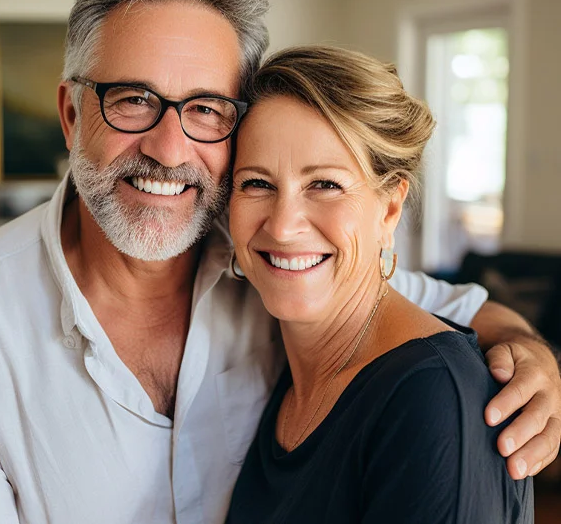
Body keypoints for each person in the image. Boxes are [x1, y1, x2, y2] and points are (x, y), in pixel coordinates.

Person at [0, 0, 560, 524]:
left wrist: (526, 351)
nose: (169, 149)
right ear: (73, 114)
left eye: (205, 108)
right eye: (133, 99)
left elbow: (439, 313)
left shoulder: (270, 263)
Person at [225, 46, 534, 523]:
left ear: (390, 208)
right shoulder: (290, 368)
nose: (283, 226)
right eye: (256, 184)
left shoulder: (431, 402)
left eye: (325, 184)